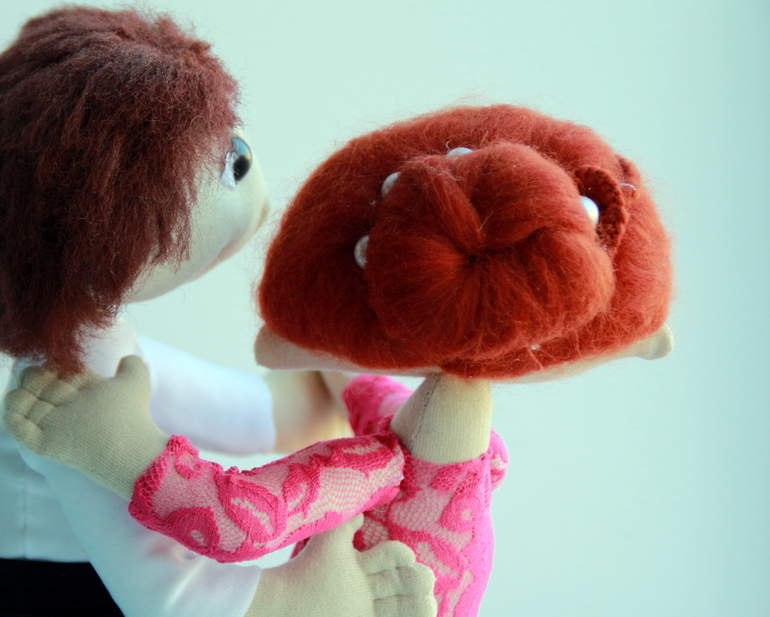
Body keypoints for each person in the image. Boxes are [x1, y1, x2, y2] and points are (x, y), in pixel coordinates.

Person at [4, 104, 673, 616]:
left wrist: (121, 449)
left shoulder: (379, 463)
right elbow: (333, 398)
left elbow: (235, 519)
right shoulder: (472, 453)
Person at [0, 7, 434, 617]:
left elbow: (220, 403)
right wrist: (295, 601)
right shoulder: (66, 391)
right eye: (232, 167)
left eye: (236, 152)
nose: (255, 189)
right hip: (65, 586)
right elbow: (162, 592)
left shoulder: (100, 344)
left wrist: (327, 389)